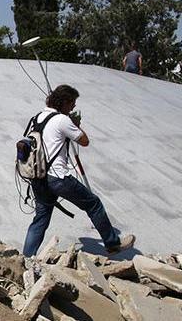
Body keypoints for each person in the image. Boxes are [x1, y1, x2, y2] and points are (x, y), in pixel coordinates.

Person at [22, 84, 135, 257]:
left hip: (39, 177)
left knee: (40, 219)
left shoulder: (37, 117)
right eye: (72, 102)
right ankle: (112, 243)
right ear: (64, 102)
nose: (74, 106)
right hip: (58, 177)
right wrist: (75, 124)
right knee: (93, 204)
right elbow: (84, 141)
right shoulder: (62, 120)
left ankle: (26, 258)